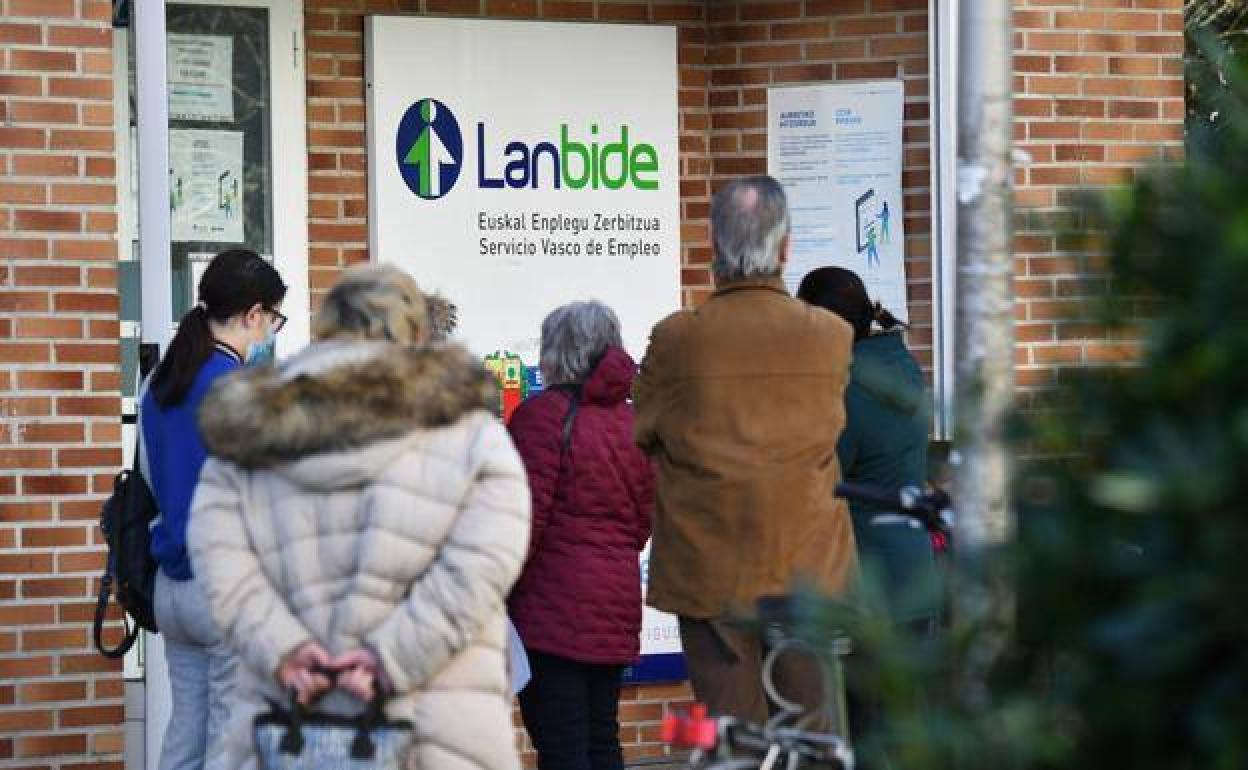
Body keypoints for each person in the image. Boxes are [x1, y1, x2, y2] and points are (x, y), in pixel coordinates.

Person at [187, 265, 531, 770]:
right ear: (416, 332)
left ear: (327, 327)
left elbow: (217, 551)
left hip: (290, 726)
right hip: (439, 728)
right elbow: (483, 564)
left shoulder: (249, 433)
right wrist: (390, 656)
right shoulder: (470, 434)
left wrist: (281, 647)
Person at [633, 175, 857, 724]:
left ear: (714, 244)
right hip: (809, 567)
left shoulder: (677, 338)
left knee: (734, 740)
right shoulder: (830, 335)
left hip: (711, 569)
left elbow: (642, 430)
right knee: (813, 734)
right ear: (785, 248)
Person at [139, 248, 287, 770]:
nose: (272, 331)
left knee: (185, 733)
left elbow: (152, 482)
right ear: (253, 314)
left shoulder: (157, 385)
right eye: (273, 318)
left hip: (172, 585)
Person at [507, 301, 654, 770]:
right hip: (615, 604)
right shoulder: (632, 421)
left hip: (551, 612)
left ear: (557, 351)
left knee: (562, 747)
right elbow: (643, 521)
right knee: (601, 739)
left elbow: (521, 524)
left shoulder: (542, 417)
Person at [796, 267, 939, 628]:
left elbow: (823, 477)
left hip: (872, 577)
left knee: (865, 685)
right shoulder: (901, 364)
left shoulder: (851, 386)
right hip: (915, 564)